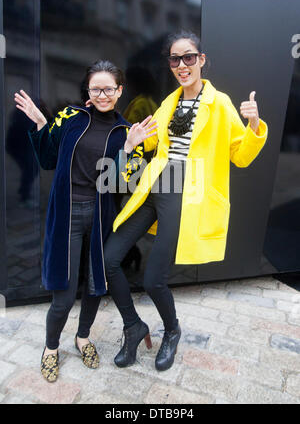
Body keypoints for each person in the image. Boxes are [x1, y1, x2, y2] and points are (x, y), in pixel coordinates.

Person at [104, 30, 268, 372]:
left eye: (189, 57)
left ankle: (173, 331)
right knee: (109, 260)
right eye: (175, 59)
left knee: (153, 280)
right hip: (156, 184)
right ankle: (134, 327)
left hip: (186, 193)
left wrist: (253, 125)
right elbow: (152, 144)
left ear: (201, 60)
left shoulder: (219, 103)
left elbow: (239, 155)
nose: (182, 65)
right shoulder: (169, 102)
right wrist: (133, 142)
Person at [14, 59, 156, 382]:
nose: (103, 94)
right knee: (63, 294)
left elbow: (124, 184)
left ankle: (82, 338)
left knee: (94, 286)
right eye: (96, 88)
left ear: (120, 91)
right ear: (88, 91)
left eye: (109, 88)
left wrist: (131, 148)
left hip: (100, 216)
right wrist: (40, 123)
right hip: (66, 215)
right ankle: (51, 348)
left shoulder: (124, 131)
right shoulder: (71, 117)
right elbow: (48, 159)